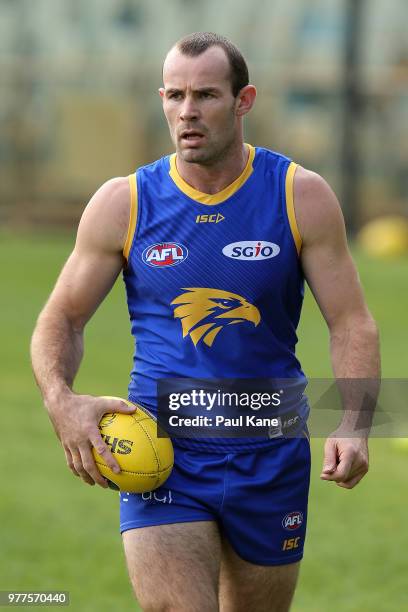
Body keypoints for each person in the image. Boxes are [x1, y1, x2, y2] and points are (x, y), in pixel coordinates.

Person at [31, 32, 380, 612]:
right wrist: (60, 401)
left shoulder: (301, 196)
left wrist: (355, 424)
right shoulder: (126, 202)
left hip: (270, 447)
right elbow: (60, 319)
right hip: (162, 454)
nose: (187, 111)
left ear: (244, 101)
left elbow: (351, 323)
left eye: (206, 95)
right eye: (174, 95)